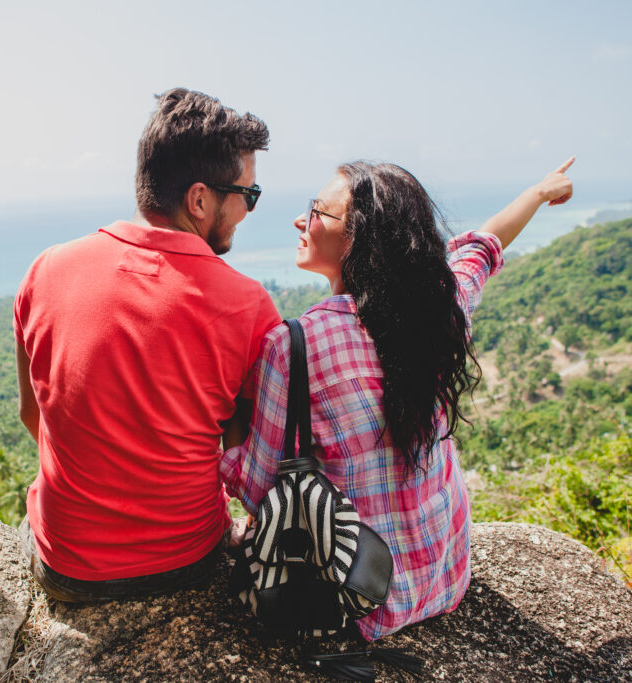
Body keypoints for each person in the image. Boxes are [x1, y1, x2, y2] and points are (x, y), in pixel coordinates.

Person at [220, 158, 574, 640]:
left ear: (358, 239)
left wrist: (233, 402)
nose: (302, 221)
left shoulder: (296, 347)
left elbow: (261, 489)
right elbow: (482, 249)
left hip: (358, 600)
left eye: (318, 212)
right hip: (444, 582)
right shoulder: (436, 309)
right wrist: (537, 192)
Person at [15, 88, 282, 602]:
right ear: (200, 199)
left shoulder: (46, 270)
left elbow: (34, 416)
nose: (249, 211)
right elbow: (250, 456)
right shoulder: (247, 306)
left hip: (66, 565)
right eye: (247, 196)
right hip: (186, 560)